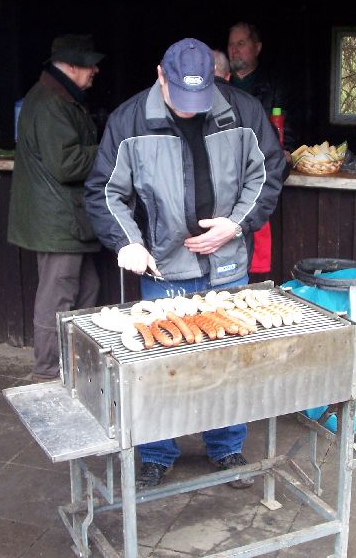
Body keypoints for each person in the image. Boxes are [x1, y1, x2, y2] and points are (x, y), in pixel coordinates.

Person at [85, 38, 285, 490]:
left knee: (228, 360)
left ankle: (226, 446)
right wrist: (126, 242)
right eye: (182, 98)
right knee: (161, 365)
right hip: (164, 266)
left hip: (228, 261)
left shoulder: (243, 110)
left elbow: (268, 172)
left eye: (202, 97)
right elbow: (105, 191)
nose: (193, 109)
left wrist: (235, 224)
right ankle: (157, 452)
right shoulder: (129, 119)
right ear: (161, 76)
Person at [7, 34, 104, 382]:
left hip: (66, 220)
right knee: (57, 297)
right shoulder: (51, 102)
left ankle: (76, 362)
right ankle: (48, 371)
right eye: (90, 63)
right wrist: (108, 148)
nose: (95, 69)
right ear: (73, 65)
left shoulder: (59, 97)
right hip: (57, 222)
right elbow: (66, 164)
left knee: (87, 288)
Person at [227, 22, 300, 159]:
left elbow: (288, 129)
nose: (234, 49)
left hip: (263, 162)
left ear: (257, 48)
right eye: (231, 44)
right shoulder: (219, 84)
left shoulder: (275, 85)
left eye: (241, 43)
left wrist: (283, 153)